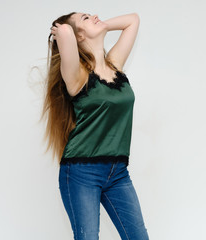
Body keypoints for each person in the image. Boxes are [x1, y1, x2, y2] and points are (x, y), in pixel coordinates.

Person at [42, 11, 149, 240]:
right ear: (78, 35)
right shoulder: (76, 74)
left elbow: (133, 20)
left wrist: (99, 26)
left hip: (118, 172)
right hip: (81, 172)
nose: (96, 15)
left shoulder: (115, 66)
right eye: (86, 18)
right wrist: (65, 30)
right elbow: (63, 32)